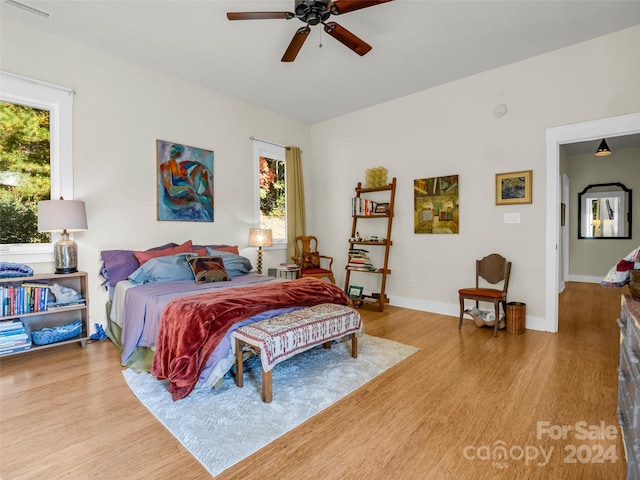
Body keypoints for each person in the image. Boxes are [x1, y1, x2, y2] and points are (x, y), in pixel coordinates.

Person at [159, 143, 213, 221]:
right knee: (204, 201)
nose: (176, 152)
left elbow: (188, 179)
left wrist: (200, 168)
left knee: (205, 198)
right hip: (173, 198)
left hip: (184, 193)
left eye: (179, 151)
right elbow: (171, 190)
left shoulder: (179, 167)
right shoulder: (165, 167)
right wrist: (187, 188)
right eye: (174, 149)